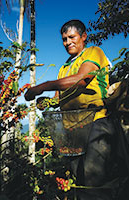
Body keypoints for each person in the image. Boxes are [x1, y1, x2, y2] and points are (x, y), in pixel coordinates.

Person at [25, 20, 116, 192]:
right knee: (78, 176)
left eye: (72, 37)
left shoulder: (93, 52)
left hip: (96, 121)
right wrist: (47, 102)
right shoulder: (64, 67)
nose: (68, 42)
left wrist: (42, 86)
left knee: (94, 177)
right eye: (64, 39)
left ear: (83, 36)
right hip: (73, 129)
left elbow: (81, 80)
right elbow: (58, 98)